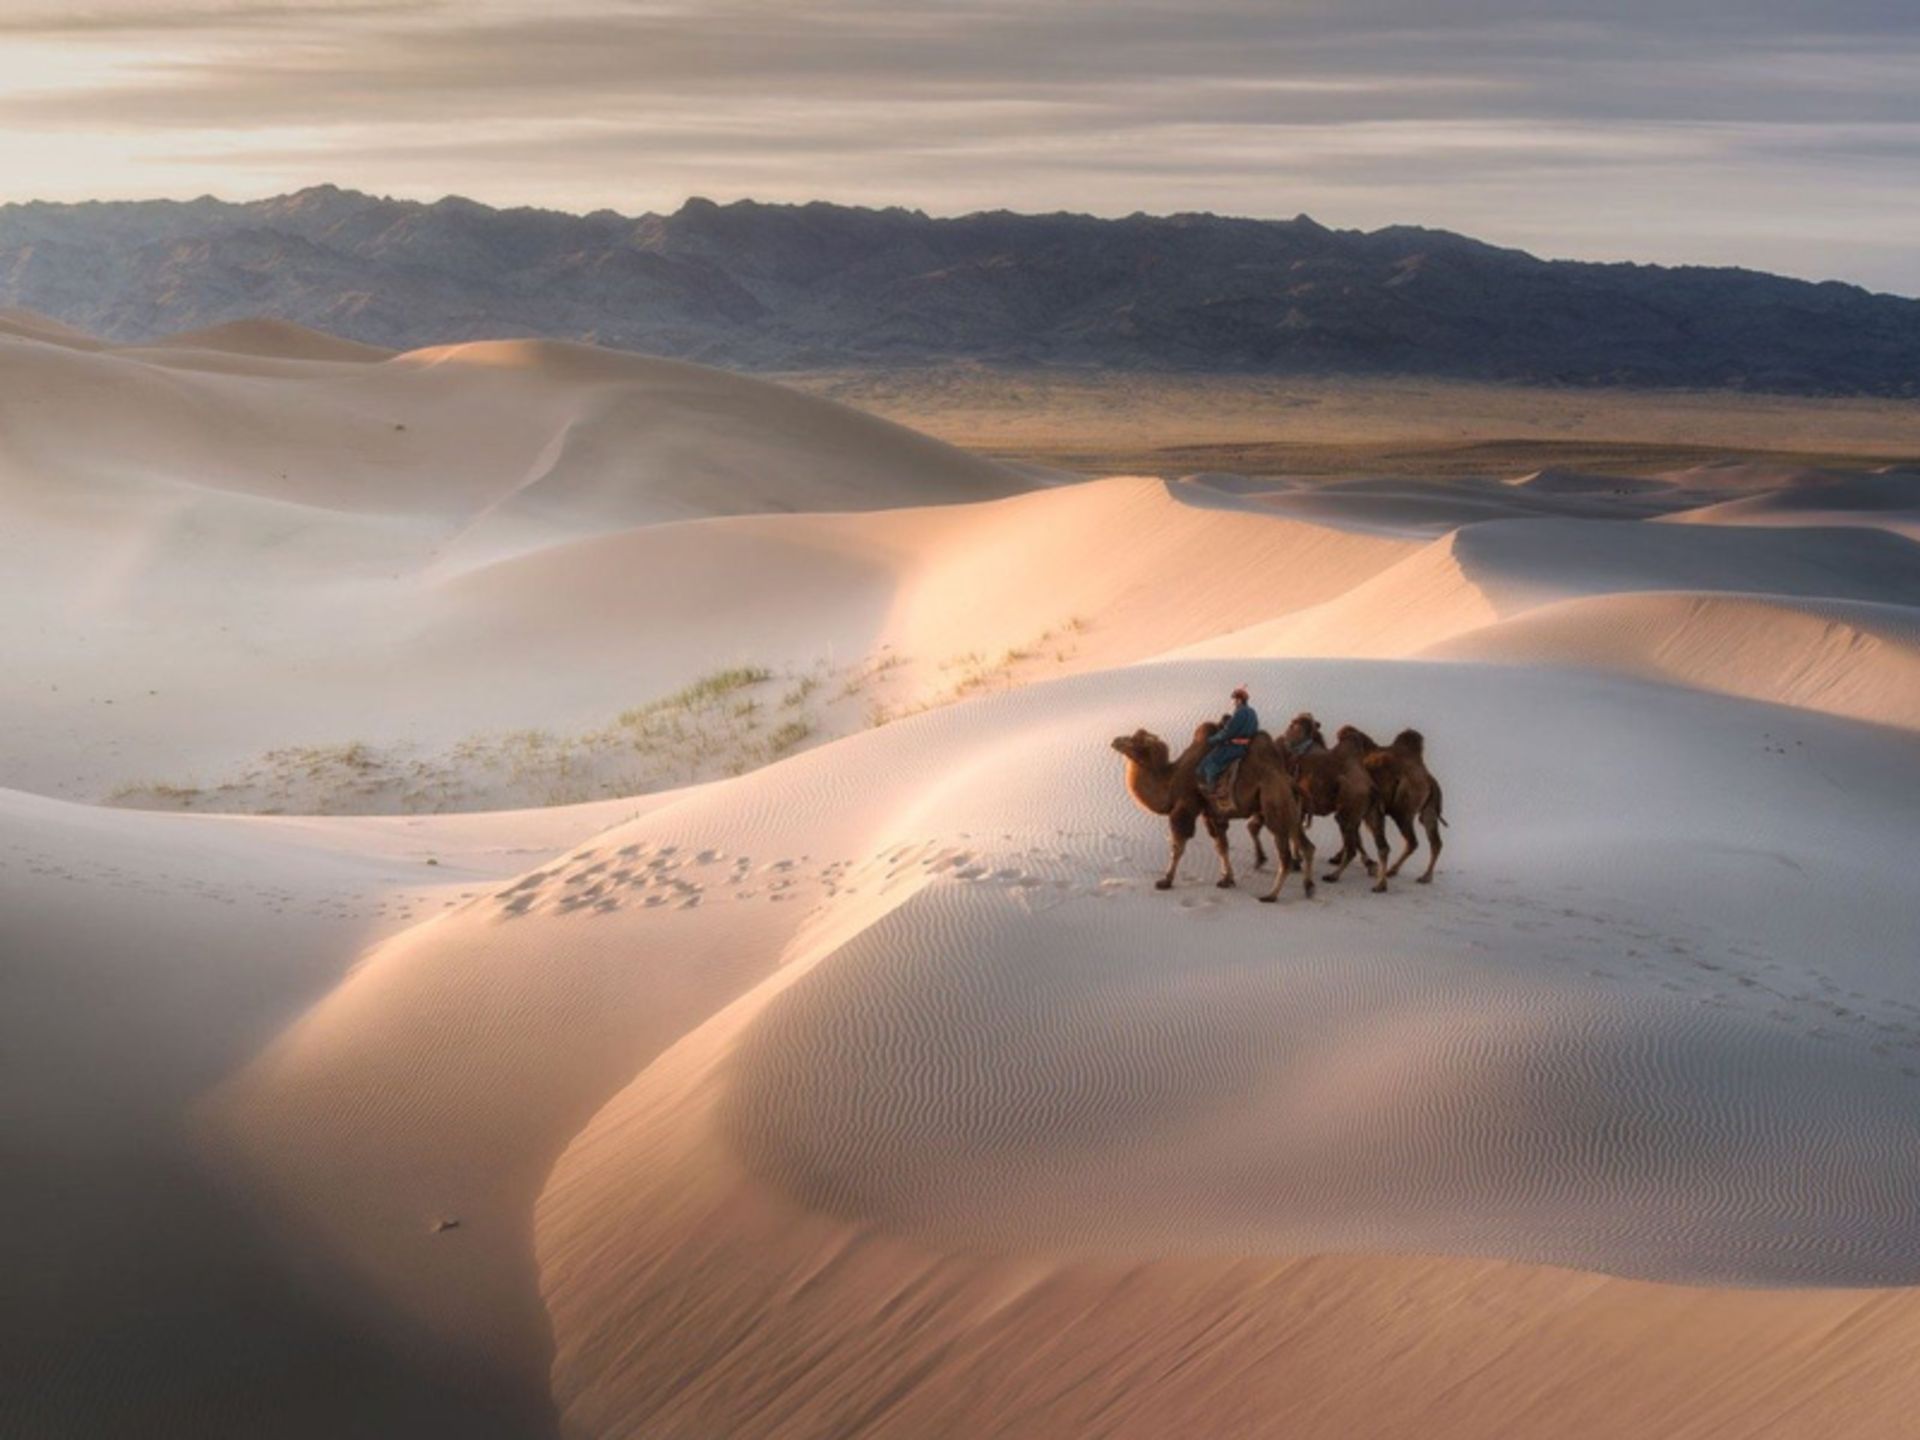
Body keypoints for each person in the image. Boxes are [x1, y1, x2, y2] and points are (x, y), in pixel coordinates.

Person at [1199, 686, 1257, 796]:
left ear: (1239, 700)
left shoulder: (1240, 712)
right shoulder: (1252, 712)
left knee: (1210, 761)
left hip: (1234, 748)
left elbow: (1227, 732)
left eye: (1235, 700)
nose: (1234, 702)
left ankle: (1211, 788)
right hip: (1246, 747)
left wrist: (1212, 739)